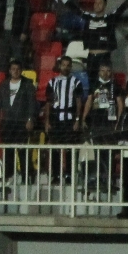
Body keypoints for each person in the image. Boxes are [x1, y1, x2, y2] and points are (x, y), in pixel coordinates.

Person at [69, 0, 128, 75]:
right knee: (92, 83)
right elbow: (76, 9)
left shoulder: (110, 18)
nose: (97, 5)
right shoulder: (89, 18)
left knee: (104, 80)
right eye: (95, 3)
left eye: (100, 3)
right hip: (91, 57)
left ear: (105, 6)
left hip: (104, 57)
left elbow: (121, 8)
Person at [43, 55, 85, 185]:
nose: (66, 67)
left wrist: (77, 119)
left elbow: (78, 103)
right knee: (56, 147)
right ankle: (56, 175)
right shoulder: (52, 82)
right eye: (64, 65)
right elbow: (48, 103)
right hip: (56, 118)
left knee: (70, 148)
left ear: (71, 67)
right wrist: (47, 121)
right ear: (60, 66)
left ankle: (69, 175)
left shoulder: (76, 82)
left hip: (70, 118)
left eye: (68, 65)